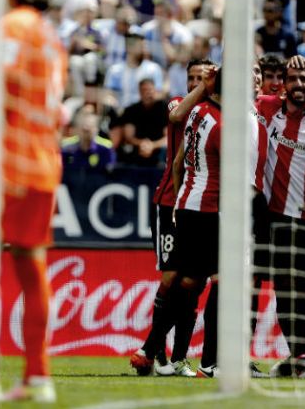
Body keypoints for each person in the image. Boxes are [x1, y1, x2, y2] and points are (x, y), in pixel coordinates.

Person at [0, 0, 67, 402]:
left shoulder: (13, 27)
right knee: (30, 263)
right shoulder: (51, 36)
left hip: (8, 162)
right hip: (44, 162)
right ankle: (38, 375)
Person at [129, 58, 216, 377]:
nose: (196, 83)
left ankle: (176, 357)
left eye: (202, 78)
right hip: (170, 202)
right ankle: (156, 351)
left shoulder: (216, 113)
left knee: (193, 282)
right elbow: (177, 114)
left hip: (201, 205)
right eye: (192, 77)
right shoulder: (182, 103)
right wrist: (205, 88)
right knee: (170, 278)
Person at [256, 55, 305, 378]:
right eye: (293, 79)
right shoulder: (265, 108)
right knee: (282, 288)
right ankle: (297, 356)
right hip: (269, 217)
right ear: (284, 85)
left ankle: (301, 356)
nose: (299, 85)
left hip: (304, 218)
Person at [171, 67, 223, 377]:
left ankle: (173, 356)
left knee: (189, 283)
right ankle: (209, 361)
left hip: (188, 203)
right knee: (222, 282)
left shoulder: (197, 113)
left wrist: (179, 200)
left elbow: (179, 163)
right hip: (209, 208)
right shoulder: (221, 124)